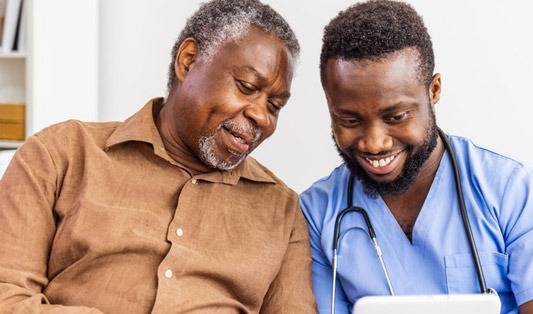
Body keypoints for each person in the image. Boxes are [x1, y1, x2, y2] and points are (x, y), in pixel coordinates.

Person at [0, 0, 316, 313]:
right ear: (188, 60)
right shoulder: (61, 154)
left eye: (275, 105)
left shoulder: (283, 211)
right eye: (246, 87)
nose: (262, 116)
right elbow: (7, 295)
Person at [299, 1, 533, 313]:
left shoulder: (517, 194)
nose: (374, 143)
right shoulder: (316, 214)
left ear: (433, 90)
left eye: (396, 116)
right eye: (350, 121)